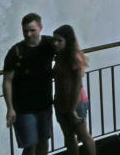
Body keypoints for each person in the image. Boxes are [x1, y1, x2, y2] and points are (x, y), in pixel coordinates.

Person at [3, 13, 55, 155]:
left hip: (44, 104)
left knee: (44, 141)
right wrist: (10, 108)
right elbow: (7, 81)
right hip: (23, 108)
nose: (28, 34)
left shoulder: (49, 44)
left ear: (41, 28)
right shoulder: (16, 52)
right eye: (25, 30)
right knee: (30, 145)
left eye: (32, 30)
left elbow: (69, 48)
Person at [51, 25, 96, 155]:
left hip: (76, 103)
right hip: (60, 102)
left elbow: (77, 85)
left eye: (59, 40)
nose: (55, 43)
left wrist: (72, 109)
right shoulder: (59, 56)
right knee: (69, 137)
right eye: (54, 40)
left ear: (68, 41)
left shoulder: (74, 58)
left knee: (83, 135)